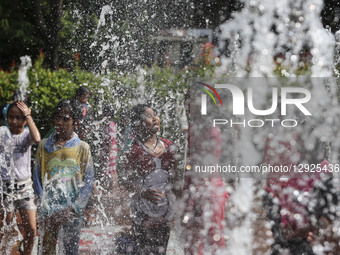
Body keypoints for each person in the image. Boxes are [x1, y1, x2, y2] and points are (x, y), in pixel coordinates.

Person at [33, 99, 94, 255]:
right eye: (57, 117)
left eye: (65, 119)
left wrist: (74, 208)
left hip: (72, 212)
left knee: (70, 250)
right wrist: (46, 208)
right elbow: (37, 179)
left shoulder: (82, 148)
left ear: (75, 123)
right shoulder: (44, 146)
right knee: (46, 250)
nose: (59, 122)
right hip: (48, 212)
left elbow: (88, 182)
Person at [119, 104, 180, 255]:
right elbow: (124, 180)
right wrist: (142, 192)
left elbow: (176, 180)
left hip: (164, 213)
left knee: (161, 251)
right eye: (148, 116)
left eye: (155, 114)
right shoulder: (134, 151)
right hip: (142, 214)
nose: (154, 119)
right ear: (138, 124)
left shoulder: (169, 147)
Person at [181, 87, 228, 255]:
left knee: (210, 242)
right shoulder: (195, 129)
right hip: (198, 192)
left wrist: (193, 202)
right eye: (186, 99)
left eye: (191, 99)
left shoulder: (210, 131)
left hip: (208, 194)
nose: (187, 104)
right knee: (193, 243)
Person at [0, 101, 41, 255]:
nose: (14, 121)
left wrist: (29, 116)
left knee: (31, 228)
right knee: (7, 227)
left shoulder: (26, 135)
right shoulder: (2, 133)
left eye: (19, 118)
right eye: (11, 117)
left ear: (24, 120)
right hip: (6, 188)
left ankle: (28, 253)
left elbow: (37, 139)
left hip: (25, 188)